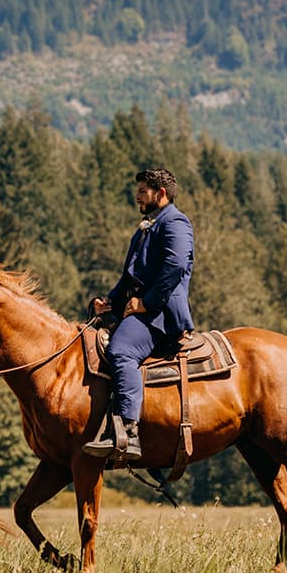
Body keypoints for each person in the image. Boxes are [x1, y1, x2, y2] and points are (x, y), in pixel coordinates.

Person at [82, 168, 194, 460]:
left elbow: (175, 268)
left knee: (121, 351)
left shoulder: (176, 222)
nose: (137, 196)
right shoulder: (147, 227)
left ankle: (128, 433)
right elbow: (130, 278)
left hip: (161, 317)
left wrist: (146, 304)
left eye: (143, 191)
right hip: (142, 313)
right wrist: (109, 302)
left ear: (161, 194)